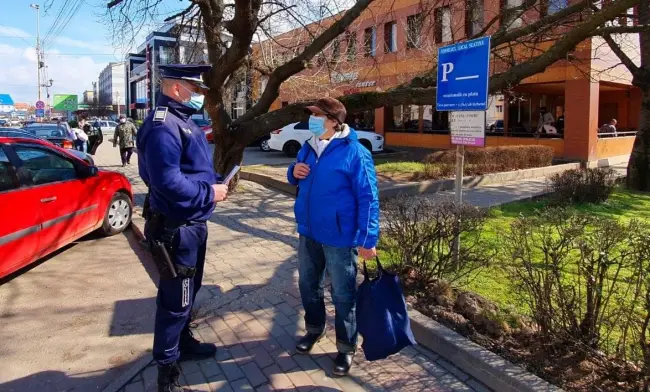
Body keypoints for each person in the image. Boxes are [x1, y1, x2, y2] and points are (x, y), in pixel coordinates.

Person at [136, 64, 229, 392]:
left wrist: (214, 184)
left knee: (188, 294)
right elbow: (165, 181)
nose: (200, 97)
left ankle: (183, 343)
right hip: (177, 230)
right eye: (196, 90)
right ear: (177, 88)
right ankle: (166, 368)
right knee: (176, 301)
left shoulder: (182, 121)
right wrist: (209, 193)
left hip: (190, 226)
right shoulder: (164, 126)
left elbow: (193, 169)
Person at [287, 97, 380, 376]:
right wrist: (293, 172)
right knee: (307, 285)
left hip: (340, 236)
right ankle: (314, 330)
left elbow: (369, 197)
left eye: (317, 116)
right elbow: (295, 176)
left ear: (334, 121)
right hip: (309, 230)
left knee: (342, 293)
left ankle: (345, 347)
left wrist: (368, 239)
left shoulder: (355, 152)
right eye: (311, 115)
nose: (311, 120)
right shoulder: (308, 147)